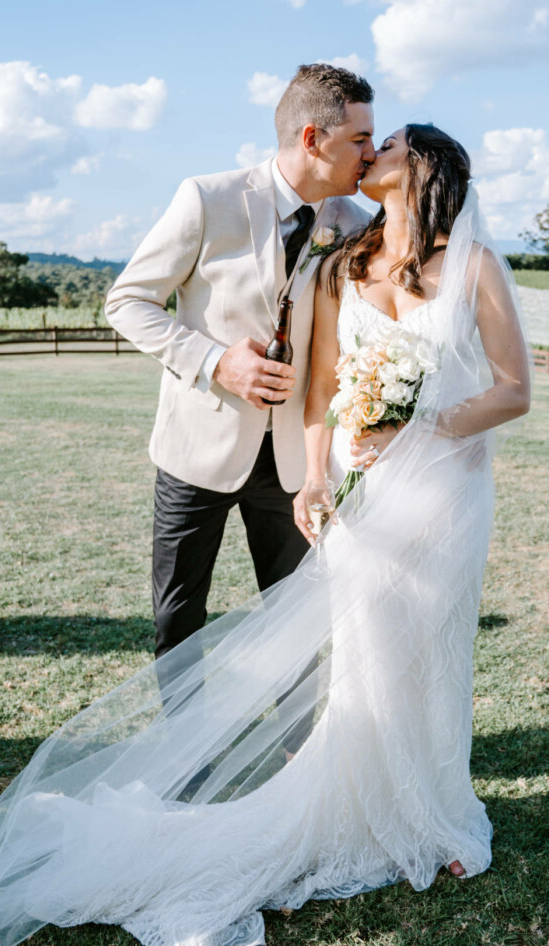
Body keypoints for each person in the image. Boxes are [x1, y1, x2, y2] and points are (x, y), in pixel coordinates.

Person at [0, 124, 530, 946]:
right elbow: (323, 385)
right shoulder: (344, 260)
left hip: (444, 492)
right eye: (366, 142)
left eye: (390, 145)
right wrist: (314, 474)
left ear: (428, 167)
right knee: (365, 650)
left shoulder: (474, 266)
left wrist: (426, 421)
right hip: (360, 491)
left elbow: (514, 388)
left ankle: (434, 809)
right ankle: (357, 806)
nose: (370, 157)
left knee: (434, 648)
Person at [104, 63, 374, 669]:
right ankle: (185, 762)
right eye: (358, 139)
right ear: (312, 138)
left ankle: (290, 758)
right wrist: (214, 361)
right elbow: (126, 301)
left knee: (296, 622)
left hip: (292, 464)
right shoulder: (208, 198)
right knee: (178, 621)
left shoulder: (354, 227)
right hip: (194, 449)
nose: (368, 153)